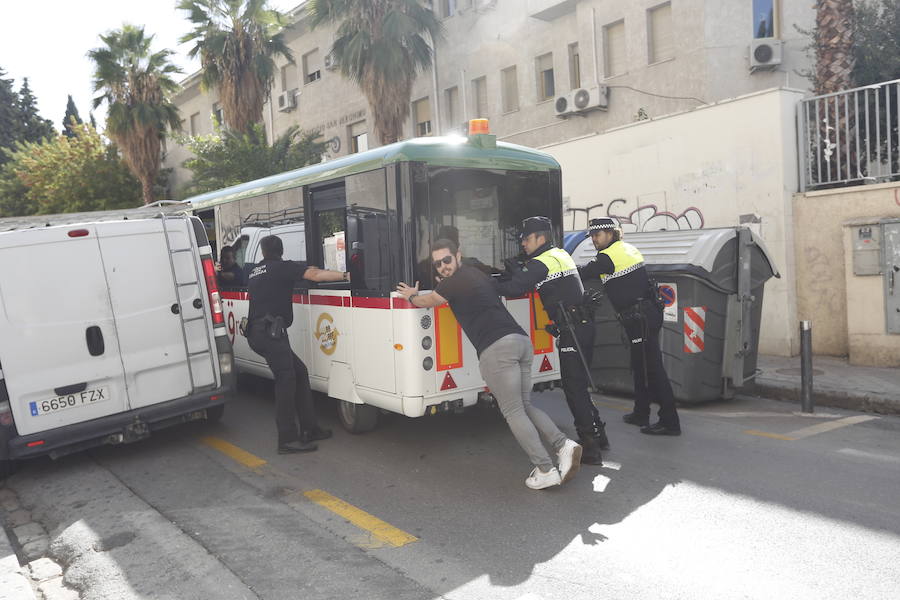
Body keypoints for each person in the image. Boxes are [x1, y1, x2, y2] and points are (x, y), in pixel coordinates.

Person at [396, 238, 583, 490]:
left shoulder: (453, 282)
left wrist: (412, 295)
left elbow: (426, 301)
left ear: (458, 256)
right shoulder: (475, 274)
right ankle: (564, 446)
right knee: (525, 405)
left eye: (447, 260)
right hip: (520, 342)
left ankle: (545, 469)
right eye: (437, 263)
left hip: (497, 350)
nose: (442, 266)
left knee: (513, 412)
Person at [493, 216, 608, 465]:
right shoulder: (559, 254)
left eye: (526, 238)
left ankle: (590, 446)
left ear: (540, 238)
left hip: (573, 330)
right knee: (581, 384)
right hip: (584, 326)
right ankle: (600, 435)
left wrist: (485, 283)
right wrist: (520, 269)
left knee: (574, 387)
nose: (523, 243)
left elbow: (514, 288)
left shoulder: (541, 262)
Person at [247, 235, 350, 454]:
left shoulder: (256, 271)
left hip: (258, 333)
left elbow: (299, 272)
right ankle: (286, 439)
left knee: (300, 373)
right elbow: (314, 275)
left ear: (263, 252)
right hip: (270, 333)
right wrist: (345, 274)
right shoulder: (282, 267)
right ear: (281, 250)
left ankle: (309, 429)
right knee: (286, 380)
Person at [579, 218, 681, 436]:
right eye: (593, 237)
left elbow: (582, 272)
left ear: (610, 234)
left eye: (597, 236)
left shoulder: (607, 257)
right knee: (639, 365)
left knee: (653, 368)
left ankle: (670, 422)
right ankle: (641, 412)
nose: (594, 240)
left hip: (639, 317)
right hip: (646, 314)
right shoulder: (628, 249)